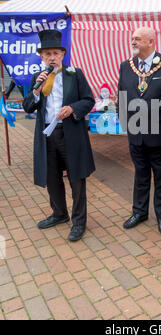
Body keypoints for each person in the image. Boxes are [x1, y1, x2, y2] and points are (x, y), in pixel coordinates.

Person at [23, 30, 95, 242]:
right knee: (51, 177)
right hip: (47, 135)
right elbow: (28, 107)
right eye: (47, 54)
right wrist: (36, 91)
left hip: (70, 133)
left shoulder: (75, 74)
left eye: (55, 53)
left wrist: (72, 108)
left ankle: (79, 222)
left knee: (76, 179)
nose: (51, 57)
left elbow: (88, 100)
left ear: (62, 54)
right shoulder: (38, 78)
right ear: (41, 57)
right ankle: (59, 214)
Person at [118, 27, 161, 235]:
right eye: (132, 39)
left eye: (137, 39)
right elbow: (122, 97)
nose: (133, 42)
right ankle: (139, 212)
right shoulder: (126, 66)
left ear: (151, 42)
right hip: (136, 135)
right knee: (140, 175)